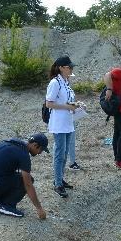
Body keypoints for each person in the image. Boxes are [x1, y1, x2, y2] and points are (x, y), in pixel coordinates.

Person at [0, 133, 48, 219]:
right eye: (41, 150)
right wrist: (39, 208)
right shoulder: (23, 155)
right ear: (35, 145)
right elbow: (28, 185)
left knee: (14, 174)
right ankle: (7, 206)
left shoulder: (14, 142)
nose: (40, 153)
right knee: (27, 180)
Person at [45, 56, 78, 198]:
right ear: (61, 68)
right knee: (59, 154)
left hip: (68, 123)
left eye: (71, 67)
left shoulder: (66, 82)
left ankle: (60, 179)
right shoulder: (55, 83)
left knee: (64, 154)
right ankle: (57, 183)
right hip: (59, 124)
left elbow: (67, 101)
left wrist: (76, 105)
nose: (71, 69)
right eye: (69, 67)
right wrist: (67, 106)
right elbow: (49, 103)